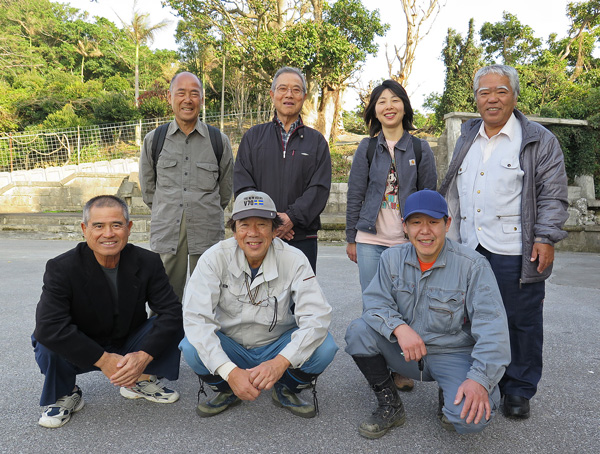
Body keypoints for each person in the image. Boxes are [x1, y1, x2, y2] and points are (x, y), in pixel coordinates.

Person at [439, 64, 569, 419]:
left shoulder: (538, 139)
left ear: (514, 96)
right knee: (469, 318)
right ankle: (479, 380)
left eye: (500, 91)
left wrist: (545, 237)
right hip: (469, 245)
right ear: (476, 99)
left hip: (516, 248)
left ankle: (519, 389)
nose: (492, 99)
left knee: (521, 320)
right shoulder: (468, 136)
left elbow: (553, 196)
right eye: (485, 92)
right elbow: (453, 192)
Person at [345, 189, 510, 437]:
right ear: (405, 227)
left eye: (433, 222)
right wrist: (400, 329)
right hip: (407, 352)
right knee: (358, 331)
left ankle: (450, 392)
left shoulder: (473, 265)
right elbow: (374, 304)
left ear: (447, 224)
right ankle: (390, 404)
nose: (425, 231)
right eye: (416, 223)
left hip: (452, 354)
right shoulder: (391, 258)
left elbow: (493, 330)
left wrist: (479, 380)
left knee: (469, 421)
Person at [179, 190, 338, 419]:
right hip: (231, 344)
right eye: (244, 225)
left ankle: (285, 388)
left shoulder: (294, 259)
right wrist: (230, 371)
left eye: (262, 225)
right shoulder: (213, 258)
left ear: (275, 230)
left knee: (325, 347)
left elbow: (318, 316)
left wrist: (281, 362)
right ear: (234, 231)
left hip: (276, 345)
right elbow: (196, 317)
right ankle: (228, 388)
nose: (253, 233)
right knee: (191, 347)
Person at [32, 195, 183, 429]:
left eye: (116, 225)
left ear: (129, 228)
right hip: (82, 344)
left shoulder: (148, 262)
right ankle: (66, 393)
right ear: (84, 229)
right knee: (47, 338)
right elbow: (49, 326)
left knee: (172, 320)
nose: (108, 234)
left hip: (126, 340)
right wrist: (103, 360)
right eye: (98, 226)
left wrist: (144, 356)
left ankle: (137, 380)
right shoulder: (61, 267)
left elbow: (172, 312)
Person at [345, 79, 437, 392]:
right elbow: (355, 194)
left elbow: (429, 195)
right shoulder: (367, 147)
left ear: (404, 107)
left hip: (406, 241)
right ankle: (378, 367)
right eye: (382, 101)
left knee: (405, 305)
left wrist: (425, 238)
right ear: (374, 109)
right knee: (373, 302)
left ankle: (402, 366)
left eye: (395, 100)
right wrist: (350, 237)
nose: (388, 106)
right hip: (370, 238)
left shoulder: (420, 148)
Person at [140, 71, 234, 303]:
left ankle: (203, 340)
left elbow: (225, 191)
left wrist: (203, 208)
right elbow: (149, 190)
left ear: (202, 100)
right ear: (170, 97)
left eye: (194, 93)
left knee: (210, 298)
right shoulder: (154, 140)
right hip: (167, 234)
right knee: (164, 301)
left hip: (207, 231)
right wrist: (168, 209)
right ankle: (166, 340)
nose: (187, 99)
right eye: (181, 93)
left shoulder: (218, 141)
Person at [234, 66, 331, 273]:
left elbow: (319, 188)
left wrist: (291, 218)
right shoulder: (253, 137)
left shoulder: (317, 142)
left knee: (301, 301)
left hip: (301, 236)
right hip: (258, 236)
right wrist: (270, 220)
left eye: (296, 90)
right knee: (260, 299)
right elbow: (243, 184)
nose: (289, 94)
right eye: (282, 89)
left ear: (304, 96)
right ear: (272, 94)